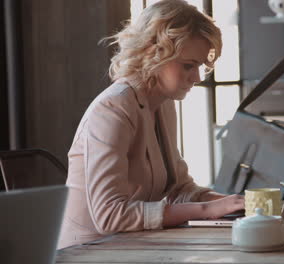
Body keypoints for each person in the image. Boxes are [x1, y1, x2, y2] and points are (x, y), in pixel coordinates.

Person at [58, 0, 244, 249]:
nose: (197, 77)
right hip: (88, 252)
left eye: (200, 65)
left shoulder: (163, 104)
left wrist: (242, 204)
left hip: (133, 245)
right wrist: (206, 209)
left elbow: (179, 189)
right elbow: (110, 216)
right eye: (188, 65)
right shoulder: (112, 110)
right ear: (152, 53)